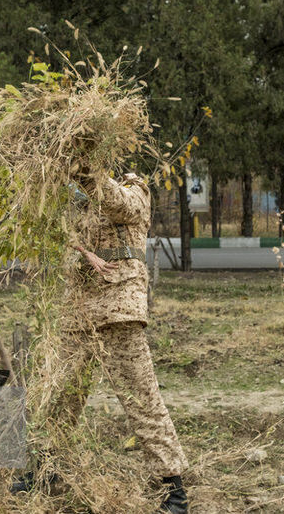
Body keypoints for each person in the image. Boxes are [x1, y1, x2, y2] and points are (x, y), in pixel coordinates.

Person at [22, 170, 189, 513]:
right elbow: (59, 237)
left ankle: (173, 489)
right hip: (78, 310)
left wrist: (86, 171)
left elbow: (120, 206)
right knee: (61, 395)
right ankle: (43, 469)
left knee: (141, 399)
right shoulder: (71, 195)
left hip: (119, 309)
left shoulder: (134, 186)